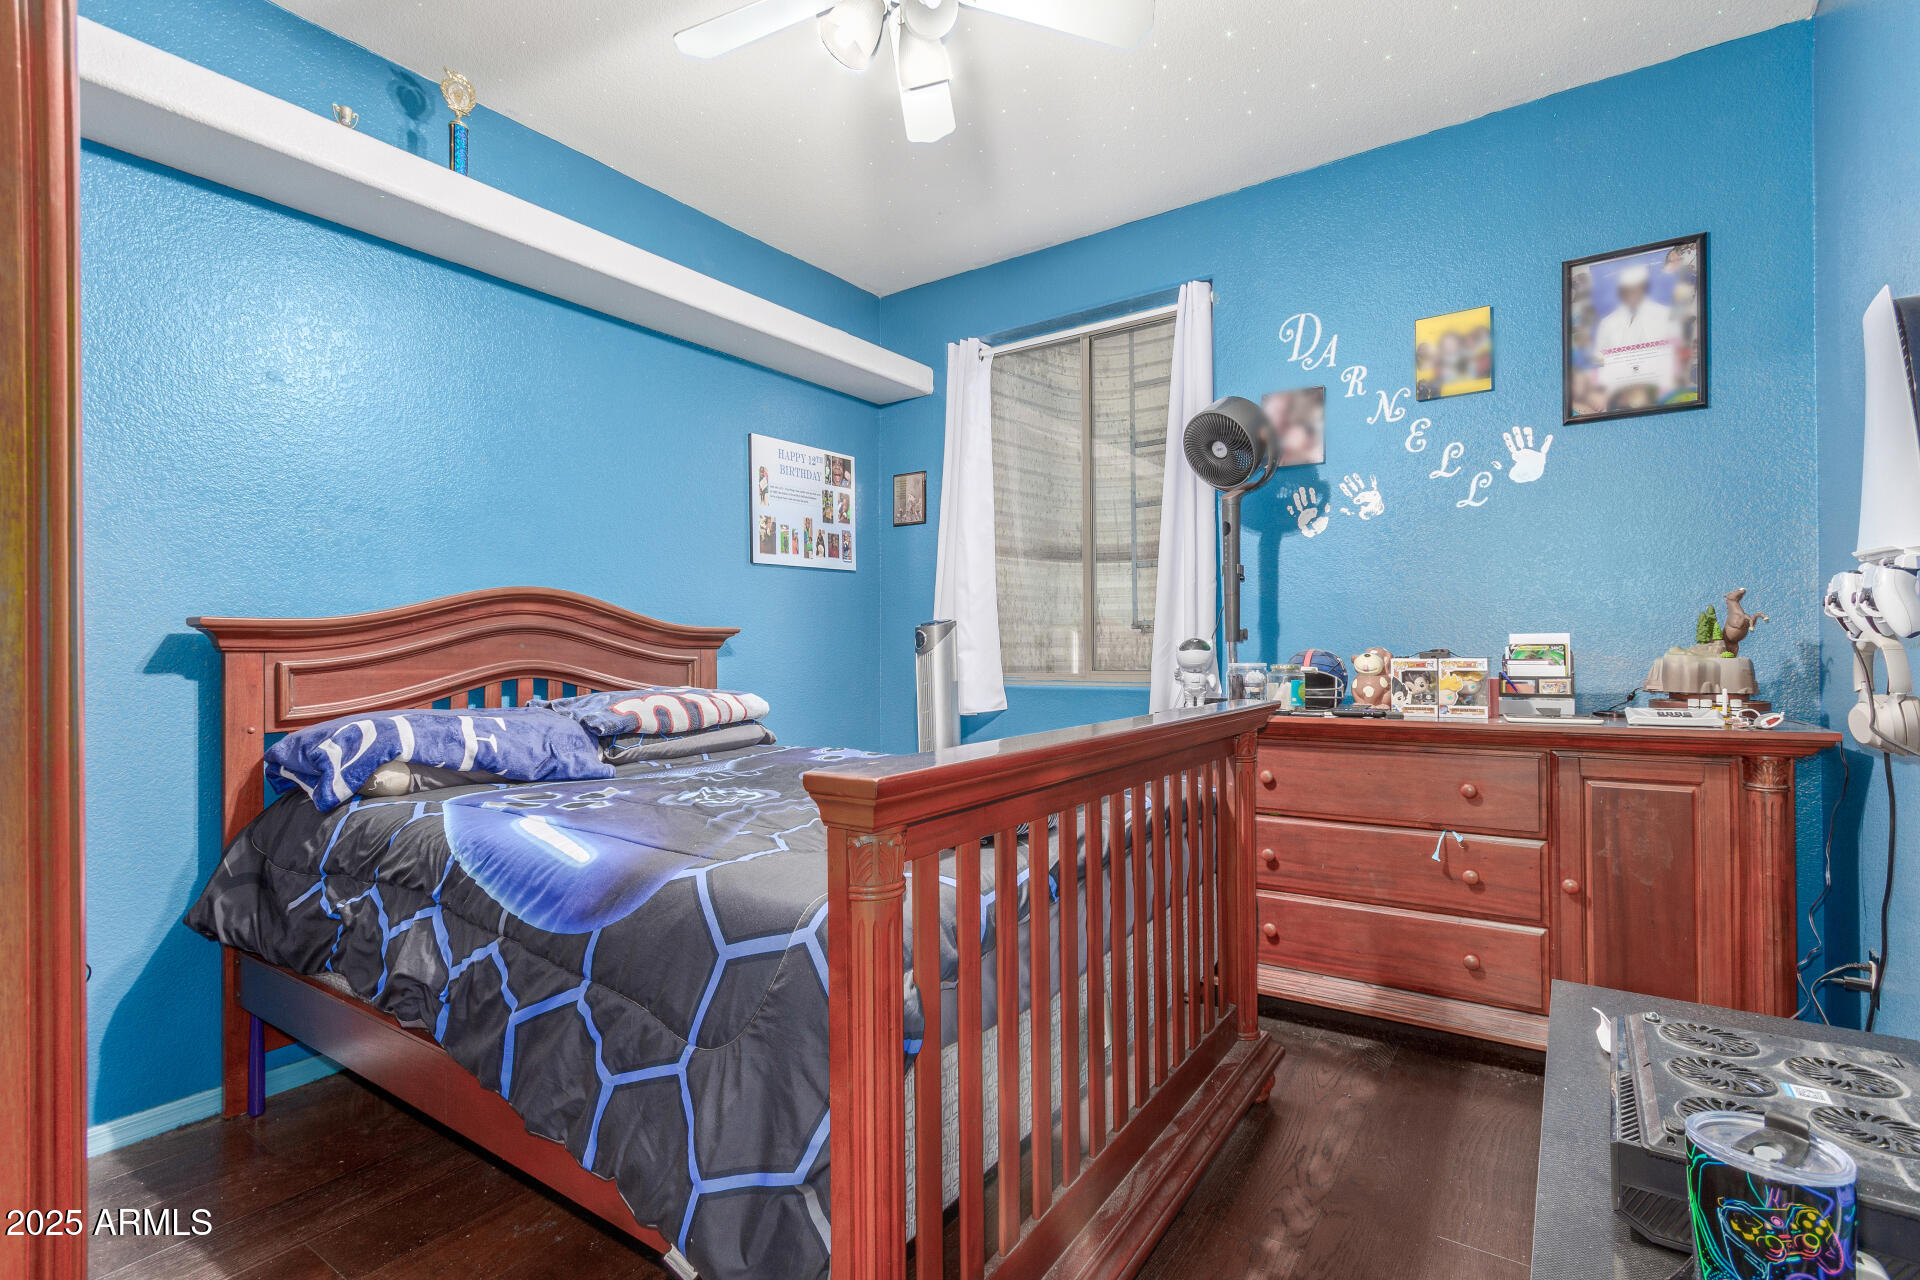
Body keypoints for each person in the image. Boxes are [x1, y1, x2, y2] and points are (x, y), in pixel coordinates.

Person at [1594, 262, 1678, 399]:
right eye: (1626, 290)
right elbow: (1598, 356)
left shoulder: (1665, 314)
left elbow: (1674, 353)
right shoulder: (1608, 322)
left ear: (1644, 288)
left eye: (1635, 289)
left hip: (1658, 387)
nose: (1630, 294)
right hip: (1618, 390)